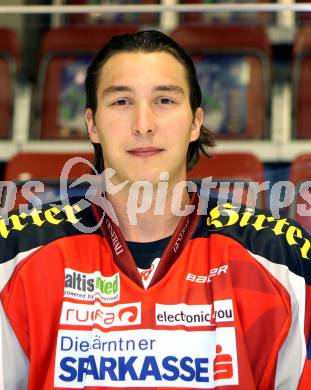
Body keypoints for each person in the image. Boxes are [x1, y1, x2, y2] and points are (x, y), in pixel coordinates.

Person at [0, 30, 310, 389]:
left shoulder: (280, 257)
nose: (143, 125)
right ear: (91, 124)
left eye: (164, 100)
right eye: (121, 102)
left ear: (195, 122)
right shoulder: (15, 253)